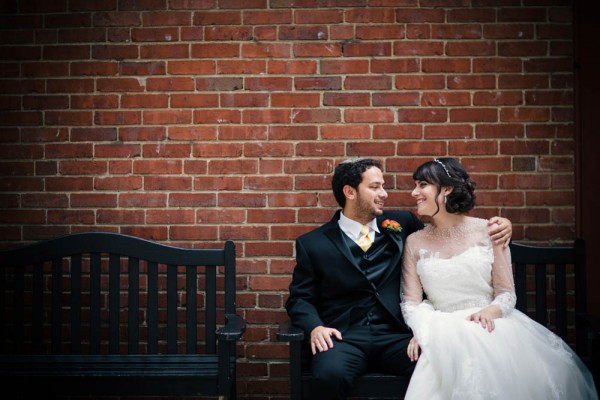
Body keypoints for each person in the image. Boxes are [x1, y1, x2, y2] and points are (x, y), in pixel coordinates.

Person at [285, 157, 513, 399]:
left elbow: (447, 233)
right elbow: (299, 299)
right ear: (349, 192)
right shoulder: (313, 243)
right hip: (344, 337)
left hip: (398, 335)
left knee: (438, 365)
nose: (384, 193)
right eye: (375, 187)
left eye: (383, 186)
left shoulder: (402, 223)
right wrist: (315, 327)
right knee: (329, 374)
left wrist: (504, 224)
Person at [401, 157, 598, 400]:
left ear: (447, 189)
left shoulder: (491, 230)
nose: (414, 192)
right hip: (442, 326)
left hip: (490, 324)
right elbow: (410, 301)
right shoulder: (414, 241)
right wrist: (424, 329)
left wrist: (491, 312)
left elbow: (506, 293)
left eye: (422, 185)